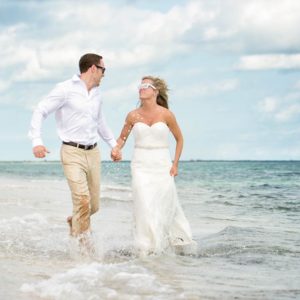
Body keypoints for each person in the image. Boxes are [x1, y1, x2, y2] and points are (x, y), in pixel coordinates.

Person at [28, 53, 121, 243]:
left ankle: (74, 222)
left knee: (93, 206)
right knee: (82, 200)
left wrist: (114, 145)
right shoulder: (65, 89)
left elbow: (100, 122)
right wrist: (37, 141)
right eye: (103, 69)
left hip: (93, 153)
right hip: (71, 152)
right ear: (93, 68)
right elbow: (41, 110)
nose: (104, 74)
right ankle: (83, 248)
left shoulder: (97, 94)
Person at [115, 75, 194, 255]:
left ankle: (166, 242)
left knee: (164, 203)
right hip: (140, 164)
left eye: (146, 85)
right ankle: (145, 246)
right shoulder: (132, 115)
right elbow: (122, 138)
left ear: (155, 91)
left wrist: (175, 164)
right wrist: (116, 149)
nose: (142, 88)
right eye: (140, 85)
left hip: (162, 164)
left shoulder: (166, 114)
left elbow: (180, 139)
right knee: (143, 201)